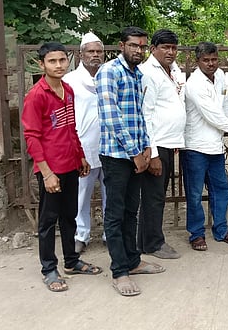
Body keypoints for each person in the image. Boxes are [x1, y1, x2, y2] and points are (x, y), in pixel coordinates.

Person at [22, 42, 102, 292]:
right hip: (50, 169)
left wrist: (80, 156)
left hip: (70, 164)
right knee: (48, 220)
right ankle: (49, 269)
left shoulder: (67, 90)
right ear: (42, 64)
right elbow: (32, 137)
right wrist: (47, 173)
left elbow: (70, 127)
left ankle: (71, 261)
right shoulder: (36, 95)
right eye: (52, 61)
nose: (58, 65)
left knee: (70, 216)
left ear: (68, 61)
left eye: (61, 60)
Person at [96, 27, 164, 298]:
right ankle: (119, 271)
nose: (138, 50)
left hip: (136, 153)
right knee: (115, 214)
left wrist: (146, 147)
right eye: (134, 45)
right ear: (121, 45)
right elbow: (111, 117)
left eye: (142, 46)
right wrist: (135, 152)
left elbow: (139, 115)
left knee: (131, 211)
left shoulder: (137, 74)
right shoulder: (109, 71)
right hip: (116, 156)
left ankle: (133, 261)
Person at [182, 42, 228, 251]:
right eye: (206, 60)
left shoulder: (219, 75)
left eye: (214, 59)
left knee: (220, 189)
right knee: (194, 194)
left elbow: (224, 106)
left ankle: (221, 230)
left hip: (215, 147)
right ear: (197, 61)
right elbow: (210, 113)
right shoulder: (194, 84)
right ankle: (196, 234)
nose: (211, 64)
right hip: (195, 147)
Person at [137, 29, 186, 259]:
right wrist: (153, 153)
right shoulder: (148, 73)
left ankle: (145, 242)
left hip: (169, 142)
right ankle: (153, 244)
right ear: (153, 49)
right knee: (154, 196)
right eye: (165, 47)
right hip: (156, 145)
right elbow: (146, 115)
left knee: (157, 195)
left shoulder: (174, 70)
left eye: (173, 48)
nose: (170, 52)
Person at [63, 32, 107, 254]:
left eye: (99, 51)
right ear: (81, 54)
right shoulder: (69, 81)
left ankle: (110, 234)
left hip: (110, 145)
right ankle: (81, 235)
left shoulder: (109, 76)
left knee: (112, 194)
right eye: (91, 51)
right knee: (81, 195)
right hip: (83, 147)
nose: (95, 55)